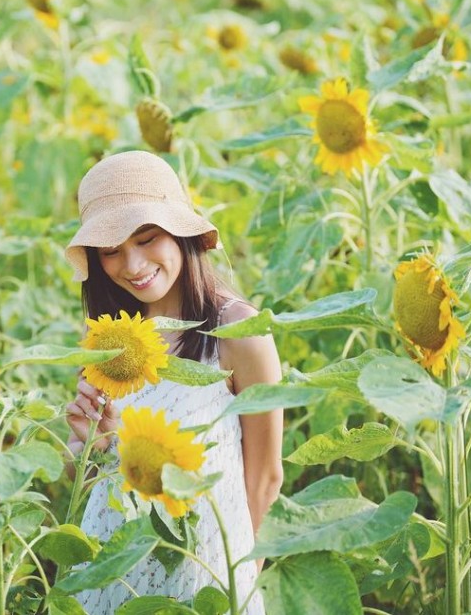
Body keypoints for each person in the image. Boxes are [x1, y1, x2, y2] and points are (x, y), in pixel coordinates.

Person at [63, 150, 283, 613]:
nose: (132, 264)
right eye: (110, 251)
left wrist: (235, 580)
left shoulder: (238, 334)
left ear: (181, 231)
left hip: (201, 579)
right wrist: (87, 445)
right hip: (111, 575)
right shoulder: (106, 336)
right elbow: (85, 480)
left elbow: (264, 477)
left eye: (146, 239)